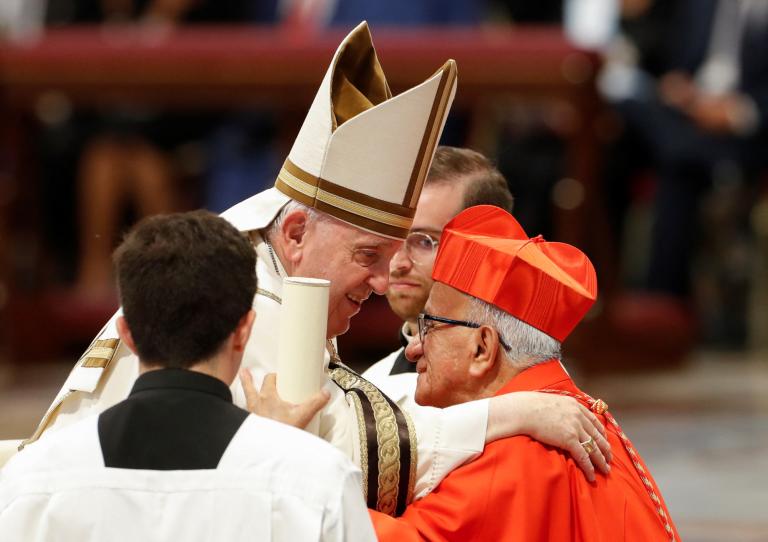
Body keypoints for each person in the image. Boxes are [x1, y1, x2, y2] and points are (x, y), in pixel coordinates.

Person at [22, 22, 610, 515]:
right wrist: (510, 413)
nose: (383, 283)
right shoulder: (236, 301)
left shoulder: (270, 273)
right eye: (367, 256)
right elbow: (341, 451)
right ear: (298, 232)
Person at [0, 210, 375, 541]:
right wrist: (279, 447)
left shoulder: (33, 478)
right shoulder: (315, 479)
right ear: (244, 329)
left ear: (126, 334)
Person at [370, 205, 680, 541]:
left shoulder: (507, 455)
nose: (413, 347)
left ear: (482, 348)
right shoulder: (587, 418)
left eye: (428, 325)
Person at [363, 145, 514, 409]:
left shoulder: (527, 390)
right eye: (391, 239)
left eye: (424, 242)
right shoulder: (372, 385)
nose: (397, 263)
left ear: (487, 249)